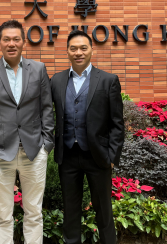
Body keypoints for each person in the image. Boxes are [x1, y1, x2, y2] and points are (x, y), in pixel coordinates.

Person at [0, 19, 54, 244]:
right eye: (7, 39)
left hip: (34, 151)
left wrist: (46, 144)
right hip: (0, 152)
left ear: (23, 41)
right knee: (3, 214)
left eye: (16, 39)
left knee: (34, 212)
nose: (12, 43)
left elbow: (46, 108)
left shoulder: (38, 69)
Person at [50, 29, 124, 244]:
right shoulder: (57, 80)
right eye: (73, 48)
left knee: (103, 209)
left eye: (83, 48)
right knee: (70, 209)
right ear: (67, 52)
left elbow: (117, 123)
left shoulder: (108, 80)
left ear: (92, 50)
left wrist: (112, 157)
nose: (78, 52)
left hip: (98, 156)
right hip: (68, 156)